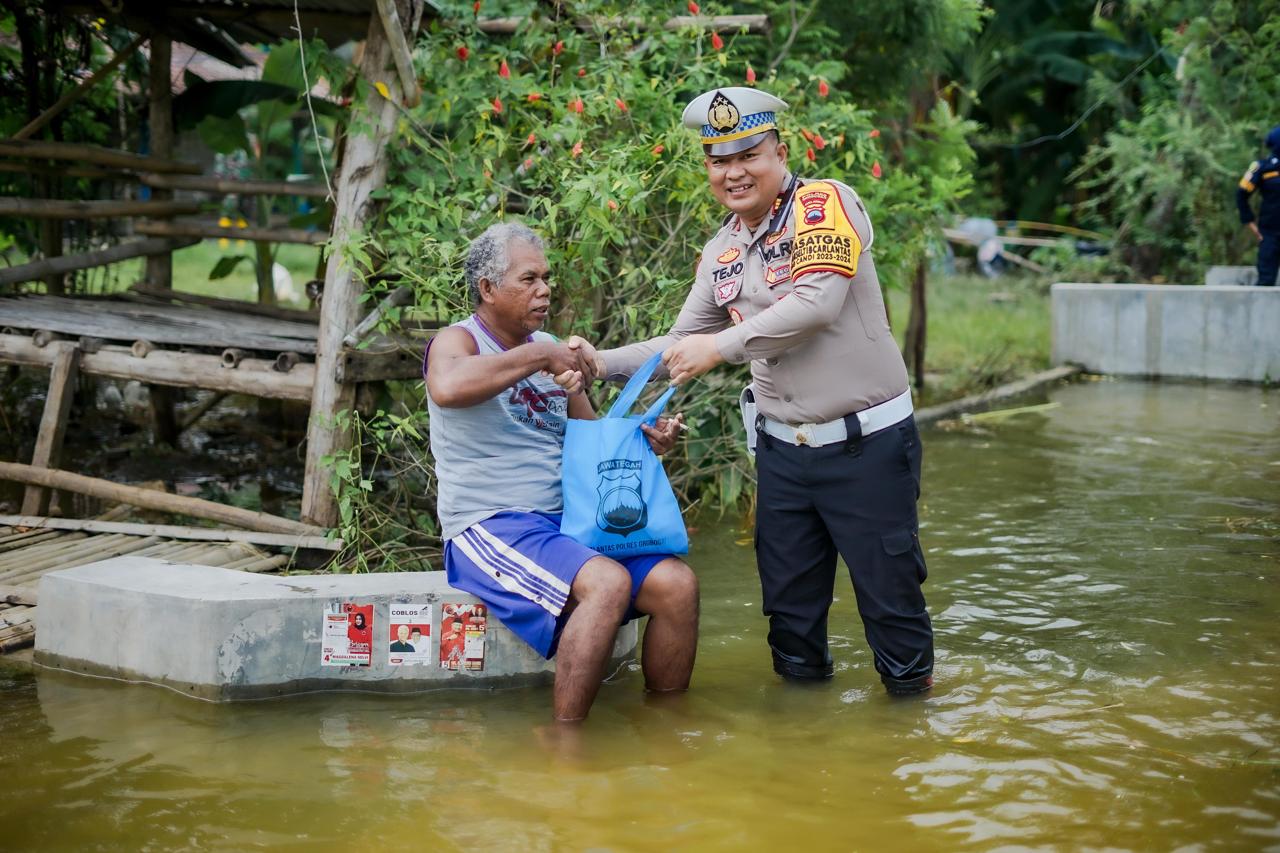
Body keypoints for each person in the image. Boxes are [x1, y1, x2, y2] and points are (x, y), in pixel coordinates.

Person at [577, 87, 934, 695]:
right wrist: (597, 362)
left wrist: (718, 349)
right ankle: (799, 744)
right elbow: (681, 341)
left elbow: (816, 304)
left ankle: (907, 743)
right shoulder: (722, 251)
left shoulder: (823, 205)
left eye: (749, 154)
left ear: (780, 152)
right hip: (783, 458)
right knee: (791, 622)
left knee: (891, 608)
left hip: (866, 448)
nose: (734, 172)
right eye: (718, 160)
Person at [424, 221, 700, 722]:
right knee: (608, 583)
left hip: (568, 525)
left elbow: (591, 445)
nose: (544, 289)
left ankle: (667, 736)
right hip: (491, 524)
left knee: (677, 585)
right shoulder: (458, 342)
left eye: (546, 278)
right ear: (488, 289)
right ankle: (564, 745)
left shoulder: (551, 346)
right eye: (528, 279)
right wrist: (539, 356)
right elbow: (447, 386)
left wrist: (646, 442)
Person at [1236, 125, 1280, 287]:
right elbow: (1241, 193)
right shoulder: (1262, 168)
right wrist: (1249, 221)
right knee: (1266, 282)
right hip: (1269, 233)